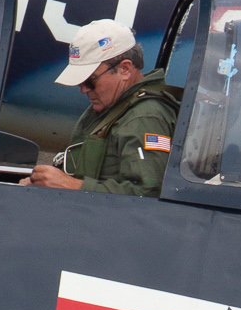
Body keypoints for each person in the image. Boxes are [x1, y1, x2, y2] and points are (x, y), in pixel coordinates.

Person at [28, 21, 179, 196]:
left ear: (124, 69)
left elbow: (147, 194)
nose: (84, 89)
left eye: (90, 80)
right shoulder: (111, 108)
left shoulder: (145, 117)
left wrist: (72, 186)